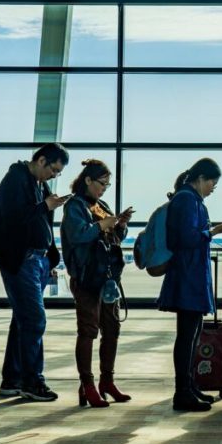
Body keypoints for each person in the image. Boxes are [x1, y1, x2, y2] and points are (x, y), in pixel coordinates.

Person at [157, 158, 222, 412]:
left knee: (191, 335)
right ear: (201, 178)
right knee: (187, 335)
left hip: (190, 275)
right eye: (212, 181)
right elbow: (187, 237)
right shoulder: (187, 200)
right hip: (188, 276)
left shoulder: (190, 200)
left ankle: (189, 387)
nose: (213, 187)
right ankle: (182, 391)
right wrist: (213, 232)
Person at [0, 143, 70, 402]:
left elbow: (42, 223)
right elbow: (13, 218)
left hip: (37, 260)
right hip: (22, 258)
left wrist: (51, 256)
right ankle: (32, 380)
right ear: (41, 160)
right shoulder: (16, 179)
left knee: (24, 320)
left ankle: (13, 379)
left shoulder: (39, 185)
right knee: (34, 319)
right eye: (54, 169)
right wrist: (45, 206)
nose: (54, 176)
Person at [61, 159, 134, 408]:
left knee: (112, 329)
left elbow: (110, 238)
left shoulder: (100, 205)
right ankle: (87, 384)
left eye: (108, 184)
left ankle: (107, 381)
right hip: (87, 277)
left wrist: (120, 225)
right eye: (101, 183)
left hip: (107, 278)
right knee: (88, 330)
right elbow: (78, 235)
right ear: (88, 180)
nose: (104, 188)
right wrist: (103, 223)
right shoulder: (74, 205)